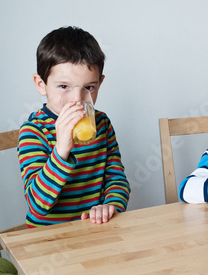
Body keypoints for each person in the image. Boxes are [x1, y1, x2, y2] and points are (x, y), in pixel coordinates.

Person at [18, 26, 130, 228]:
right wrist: (60, 151)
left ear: (99, 83)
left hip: (92, 232)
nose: (77, 99)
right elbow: (37, 205)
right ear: (41, 84)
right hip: (48, 239)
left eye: (88, 87)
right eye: (64, 86)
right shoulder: (33, 131)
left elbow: (116, 177)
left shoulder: (101, 124)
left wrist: (111, 204)